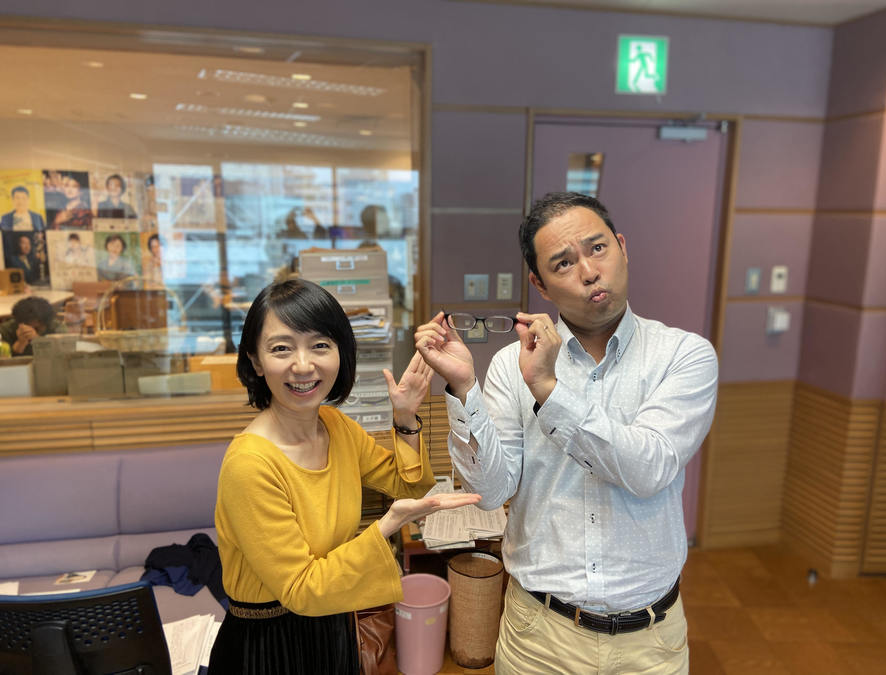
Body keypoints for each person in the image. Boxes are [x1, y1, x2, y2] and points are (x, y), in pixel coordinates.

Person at [414, 192, 718, 674]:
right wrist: (463, 387)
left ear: (622, 247)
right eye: (563, 263)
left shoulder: (683, 356)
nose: (589, 271)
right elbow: (490, 492)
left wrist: (549, 391)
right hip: (539, 634)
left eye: (598, 248)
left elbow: (649, 468)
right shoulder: (510, 366)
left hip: (650, 641)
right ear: (539, 284)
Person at [207, 278, 480, 674]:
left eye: (320, 345)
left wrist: (405, 416)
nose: (304, 365)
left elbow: (406, 484)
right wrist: (386, 526)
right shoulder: (250, 465)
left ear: (341, 353)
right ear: (255, 361)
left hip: (332, 617)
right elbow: (301, 589)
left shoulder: (335, 426)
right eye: (282, 348)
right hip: (270, 643)